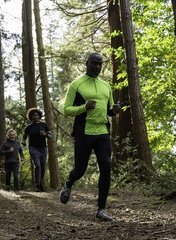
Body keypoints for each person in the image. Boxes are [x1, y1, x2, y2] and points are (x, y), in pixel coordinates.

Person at [59, 53, 120, 221]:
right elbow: (67, 109)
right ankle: (69, 184)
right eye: (94, 63)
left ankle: (101, 209)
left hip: (102, 133)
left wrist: (114, 111)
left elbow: (109, 110)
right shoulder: (76, 84)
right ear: (86, 63)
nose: (98, 67)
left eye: (100, 64)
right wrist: (84, 107)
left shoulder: (106, 85)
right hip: (84, 132)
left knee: (106, 168)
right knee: (80, 170)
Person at [22, 108, 52, 192]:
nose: (35, 117)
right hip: (33, 148)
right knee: (37, 166)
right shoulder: (28, 127)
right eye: (33, 115)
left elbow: (50, 136)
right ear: (31, 117)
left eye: (37, 115)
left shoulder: (44, 125)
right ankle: (37, 186)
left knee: (42, 167)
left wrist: (45, 134)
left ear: (39, 116)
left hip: (43, 148)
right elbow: (24, 136)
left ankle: (40, 183)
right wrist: (23, 142)